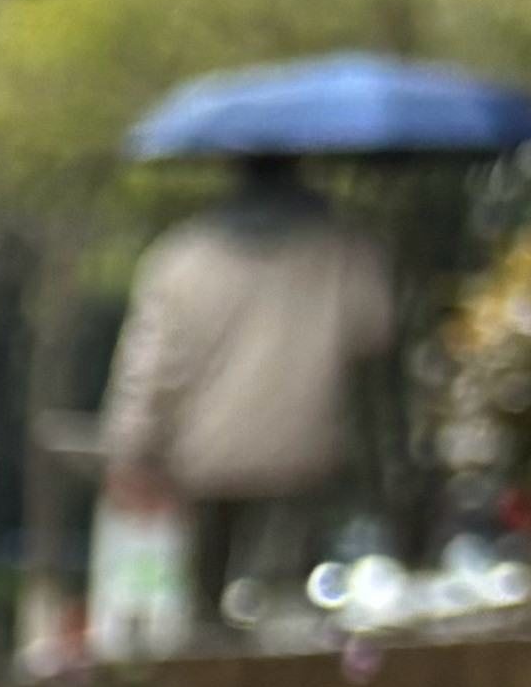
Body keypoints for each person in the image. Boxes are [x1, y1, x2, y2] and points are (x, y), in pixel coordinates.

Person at [95, 153, 393, 640]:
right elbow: (375, 331)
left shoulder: (181, 256)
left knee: (203, 613)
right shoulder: (341, 247)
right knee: (285, 605)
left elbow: (149, 369)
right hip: (302, 448)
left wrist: (130, 449)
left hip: (204, 459)